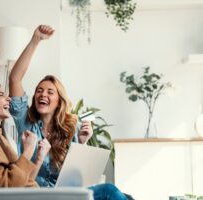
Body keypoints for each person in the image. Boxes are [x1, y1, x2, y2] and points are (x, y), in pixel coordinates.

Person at [9, 25, 128, 199]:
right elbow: (15, 79)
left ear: (59, 101)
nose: (43, 94)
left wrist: (82, 143)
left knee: (119, 194)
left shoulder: (72, 127)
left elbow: (81, 178)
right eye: (39, 90)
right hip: (39, 193)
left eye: (50, 92)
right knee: (109, 191)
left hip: (69, 193)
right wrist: (36, 40)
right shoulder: (25, 121)